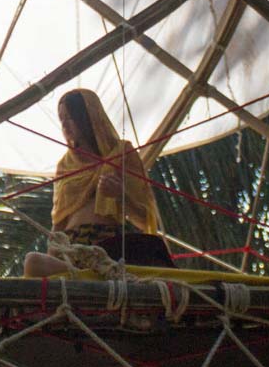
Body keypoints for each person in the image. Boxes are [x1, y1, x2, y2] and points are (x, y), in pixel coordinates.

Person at [24, 88, 175, 278]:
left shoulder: (122, 153)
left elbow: (145, 219)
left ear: (88, 117)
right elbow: (59, 221)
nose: (65, 125)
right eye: (61, 120)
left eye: (70, 118)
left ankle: (92, 276)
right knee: (33, 262)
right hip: (70, 246)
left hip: (107, 245)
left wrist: (120, 195)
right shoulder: (65, 164)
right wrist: (52, 255)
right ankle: (85, 278)